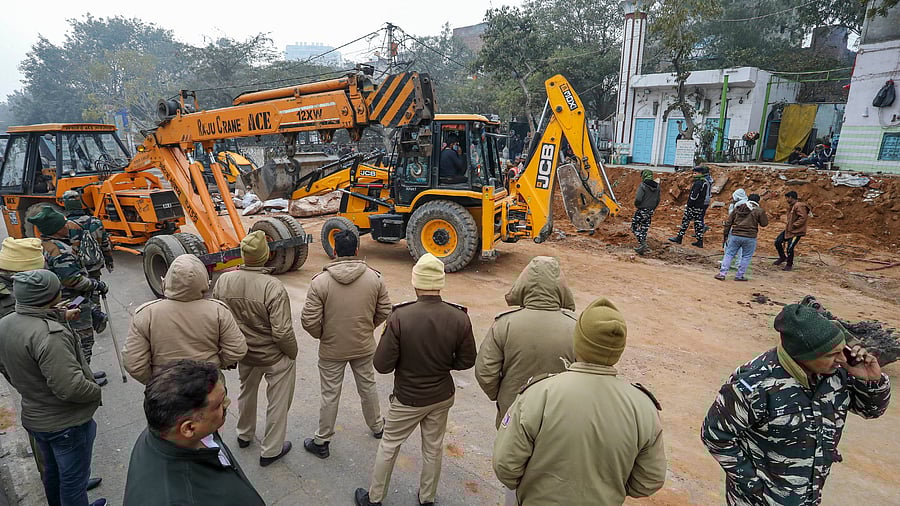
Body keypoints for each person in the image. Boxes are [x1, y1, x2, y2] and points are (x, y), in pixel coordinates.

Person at [701, 304, 890, 505]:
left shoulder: (838, 372)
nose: (842, 359)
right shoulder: (755, 385)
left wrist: (871, 380)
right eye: (831, 354)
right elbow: (715, 436)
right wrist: (755, 488)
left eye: (841, 350)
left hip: (809, 497)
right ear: (803, 356)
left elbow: (872, 410)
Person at [492, 297, 667, 505]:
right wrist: (609, 489)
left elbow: (505, 465)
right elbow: (649, 480)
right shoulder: (643, 407)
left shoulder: (539, 394)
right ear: (619, 349)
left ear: (579, 342)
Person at [354, 253, 476, 506]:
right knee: (433, 448)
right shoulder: (460, 317)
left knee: (389, 445)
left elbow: (382, 365)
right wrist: (443, 364)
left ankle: (375, 498)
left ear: (415, 282)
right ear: (440, 282)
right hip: (441, 395)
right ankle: (427, 498)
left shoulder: (400, 316)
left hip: (408, 398)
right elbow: (467, 361)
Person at [0, 270, 105, 506]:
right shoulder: (50, 336)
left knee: (53, 475)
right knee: (73, 482)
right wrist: (95, 391)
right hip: (66, 423)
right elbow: (70, 388)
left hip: (35, 415)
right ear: (50, 295)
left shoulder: (5, 324)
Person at [123, 360, 265, 506]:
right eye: (218, 404)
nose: (227, 403)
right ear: (189, 428)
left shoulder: (164, 433)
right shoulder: (174, 499)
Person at [302, 229, 391, 459]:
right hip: (363, 345)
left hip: (332, 349)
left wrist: (324, 334)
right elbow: (385, 310)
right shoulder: (374, 278)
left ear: (334, 251)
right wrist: (367, 327)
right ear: (357, 251)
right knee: (368, 387)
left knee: (330, 395)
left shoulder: (320, 282)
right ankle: (378, 427)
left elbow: (309, 320)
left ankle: (322, 440)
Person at [212, 231, 298, 466]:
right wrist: (292, 352)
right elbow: (282, 332)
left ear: (243, 255)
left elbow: (220, 319)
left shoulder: (224, 281)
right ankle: (271, 450)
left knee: (246, 392)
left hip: (244, 353)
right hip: (272, 355)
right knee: (278, 401)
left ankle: (244, 434)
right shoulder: (273, 287)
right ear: (266, 255)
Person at [475, 256, 576, 429]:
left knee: (509, 454)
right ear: (561, 288)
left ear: (524, 284)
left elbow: (485, 371)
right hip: (558, 416)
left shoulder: (504, 324)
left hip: (513, 411)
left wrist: (501, 396)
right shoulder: (576, 328)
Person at [123, 254, 247, 384]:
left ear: (167, 280)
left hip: (166, 389)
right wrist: (216, 364)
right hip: (209, 385)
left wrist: (157, 382)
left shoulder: (146, 314)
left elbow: (134, 363)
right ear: (205, 282)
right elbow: (237, 349)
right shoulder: (218, 311)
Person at [27, 206, 108, 386]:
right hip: (72, 302)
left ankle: (85, 374)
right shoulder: (61, 251)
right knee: (83, 340)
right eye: (64, 224)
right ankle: (84, 380)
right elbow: (72, 280)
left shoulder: (43, 245)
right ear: (57, 229)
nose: (68, 225)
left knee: (73, 341)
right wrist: (97, 284)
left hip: (63, 301)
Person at [62, 190, 113, 334]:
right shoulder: (95, 221)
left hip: (77, 267)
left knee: (78, 294)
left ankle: (90, 316)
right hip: (94, 264)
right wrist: (109, 261)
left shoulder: (65, 225)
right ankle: (97, 314)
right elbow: (105, 244)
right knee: (95, 288)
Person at [715, 193, 768, 281]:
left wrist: (725, 235)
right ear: (758, 201)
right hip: (750, 237)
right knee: (746, 256)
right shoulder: (759, 211)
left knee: (729, 254)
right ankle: (739, 276)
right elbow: (764, 224)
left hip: (735, 235)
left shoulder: (738, 208)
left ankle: (722, 274)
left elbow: (728, 222)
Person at [668, 166, 711, 248]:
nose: (693, 175)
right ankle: (699, 241)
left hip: (693, 206)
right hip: (700, 206)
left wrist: (689, 204)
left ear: (700, 173)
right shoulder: (705, 181)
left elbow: (694, 196)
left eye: (695, 173)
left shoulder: (698, 183)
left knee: (685, 222)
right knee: (698, 223)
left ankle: (679, 238)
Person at [773, 190, 810, 271]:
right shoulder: (792, 206)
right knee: (778, 242)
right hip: (789, 230)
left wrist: (794, 225)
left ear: (790, 197)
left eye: (787, 198)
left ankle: (789, 264)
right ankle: (782, 257)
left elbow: (803, 217)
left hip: (796, 232)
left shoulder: (799, 205)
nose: (786, 200)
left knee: (790, 248)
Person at [631, 169, 660, 254]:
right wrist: (652, 208)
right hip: (650, 210)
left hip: (642, 209)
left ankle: (643, 244)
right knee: (644, 228)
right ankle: (642, 246)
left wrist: (637, 205)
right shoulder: (657, 186)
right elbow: (658, 200)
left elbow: (638, 198)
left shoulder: (643, 185)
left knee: (634, 226)